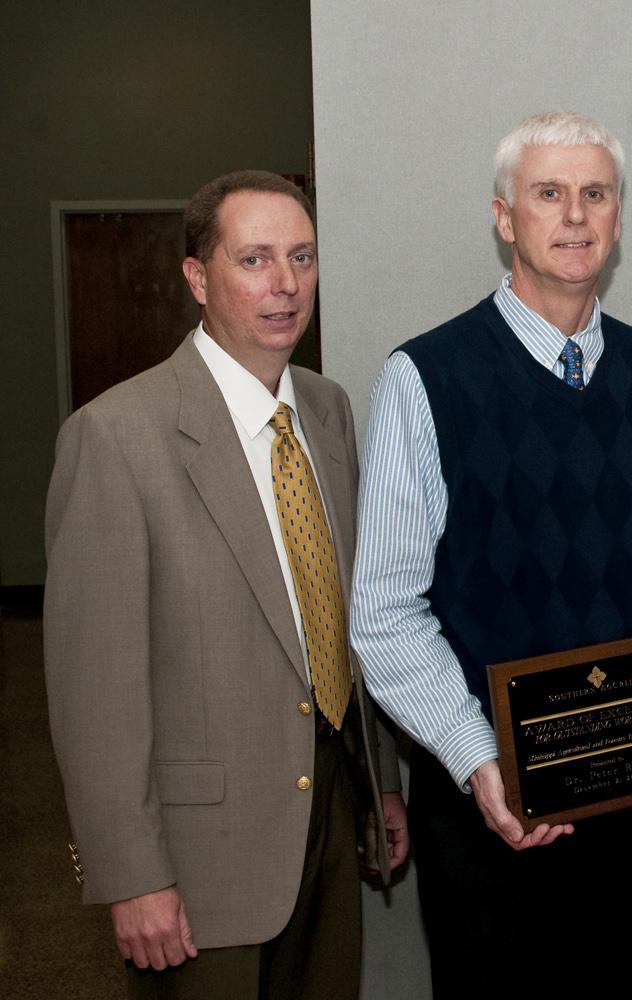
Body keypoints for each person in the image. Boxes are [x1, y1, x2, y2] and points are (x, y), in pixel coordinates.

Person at [350, 110, 632, 997]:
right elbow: (385, 612)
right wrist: (483, 760)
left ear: (619, 217)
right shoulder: (426, 379)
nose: (574, 216)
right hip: (490, 812)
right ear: (503, 215)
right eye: (548, 194)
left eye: (595, 194)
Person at [44, 169, 408, 1000]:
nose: (285, 284)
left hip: (327, 818)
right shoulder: (115, 438)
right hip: (199, 860)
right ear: (197, 279)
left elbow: (346, 617)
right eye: (254, 260)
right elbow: (93, 690)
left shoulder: (326, 409)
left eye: (302, 256)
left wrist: (378, 780)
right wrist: (130, 874)